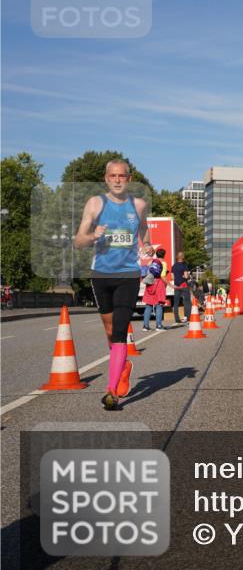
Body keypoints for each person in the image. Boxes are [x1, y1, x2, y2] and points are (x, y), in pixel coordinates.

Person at [73, 159, 153, 411]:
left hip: (128, 275)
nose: (117, 180)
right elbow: (78, 241)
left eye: (122, 176)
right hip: (101, 275)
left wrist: (147, 245)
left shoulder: (138, 205)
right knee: (109, 331)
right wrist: (92, 236)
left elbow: (144, 230)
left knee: (119, 331)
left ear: (129, 178)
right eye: (113, 176)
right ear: (106, 178)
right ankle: (123, 366)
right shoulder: (95, 203)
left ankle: (111, 391)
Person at [142, 248, 170, 331]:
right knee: (159, 305)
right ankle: (159, 325)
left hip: (150, 283)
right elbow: (162, 275)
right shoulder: (164, 263)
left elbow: (147, 269)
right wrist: (169, 284)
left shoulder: (152, 261)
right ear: (164, 255)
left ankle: (145, 326)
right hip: (159, 284)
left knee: (148, 305)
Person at [171, 251, 191, 324]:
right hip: (184, 285)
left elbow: (172, 277)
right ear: (183, 257)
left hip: (176, 286)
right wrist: (187, 276)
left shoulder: (174, 266)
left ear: (177, 257)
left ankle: (177, 319)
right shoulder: (184, 265)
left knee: (176, 303)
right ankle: (187, 317)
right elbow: (186, 276)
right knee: (187, 302)